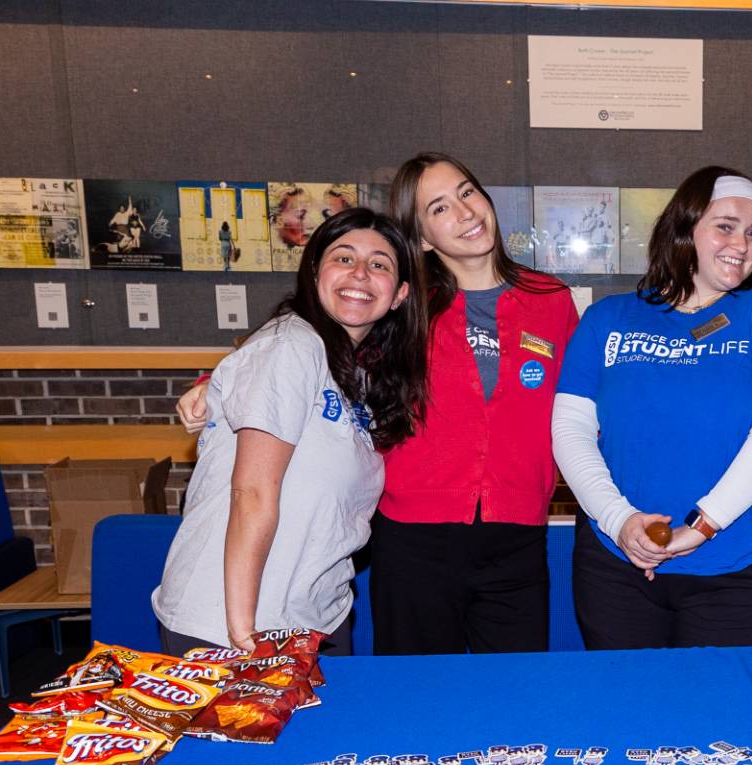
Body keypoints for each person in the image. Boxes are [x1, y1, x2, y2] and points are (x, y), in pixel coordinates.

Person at [179, 153, 578, 654]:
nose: (464, 212)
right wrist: (213, 383)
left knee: (515, 695)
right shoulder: (404, 302)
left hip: (517, 534)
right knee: (417, 701)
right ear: (423, 236)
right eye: (438, 208)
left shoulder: (550, 298)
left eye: (467, 192)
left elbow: (584, 396)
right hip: (414, 539)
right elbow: (319, 346)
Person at [551, 166, 752, 648]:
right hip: (617, 562)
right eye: (725, 226)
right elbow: (570, 430)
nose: (741, 244)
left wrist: (701, 527)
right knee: (627, 714)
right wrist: (618, 521)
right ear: (684, 229)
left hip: (736, 564)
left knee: (722, 717)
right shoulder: (609, 318)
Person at [152, 208, 425, 653]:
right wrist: (242, 631)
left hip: (313, 616)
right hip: (236, 625)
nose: (360, 273)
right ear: (315, 271)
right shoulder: (290, 346)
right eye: (344, 258)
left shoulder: (355, 376)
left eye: (379, 264)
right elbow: (252, 492)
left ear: (398, 294)